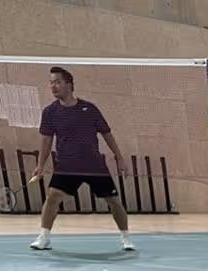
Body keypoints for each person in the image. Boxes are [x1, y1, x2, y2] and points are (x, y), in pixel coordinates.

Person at [28, 67, 133, 252]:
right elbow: (46, 140)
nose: (53, 86)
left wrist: (119, 158)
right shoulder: (50, 112)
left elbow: (107, 134)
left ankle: (126, 238)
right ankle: (44, 238)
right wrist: (40, 165)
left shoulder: (89, 109)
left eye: (57, 82)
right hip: (67, 165)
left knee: (113, 201)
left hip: (93, 165)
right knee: (52, 197)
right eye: (51, 83)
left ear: (69, 85)